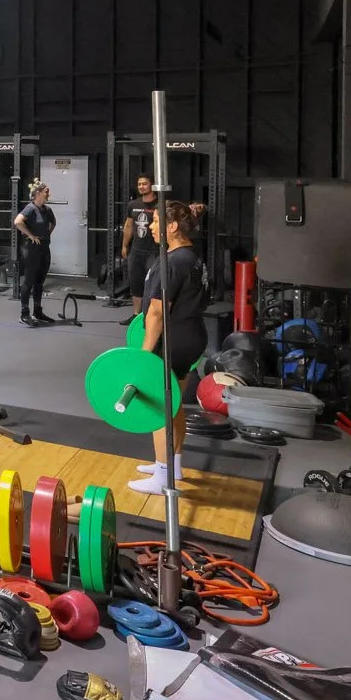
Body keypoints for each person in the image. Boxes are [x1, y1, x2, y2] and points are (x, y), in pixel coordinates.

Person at [128, 200, 210, 496]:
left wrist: (143, 356)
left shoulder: (173, 261)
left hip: (172, 340)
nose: (150, 227)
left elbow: (157, 314)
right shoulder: (190, 256)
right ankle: (171, 465)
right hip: (192, 337)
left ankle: (163, 477)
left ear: (172, 227)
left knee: (158, 408)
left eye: (156, 222)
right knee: (174, 405)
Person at [12, 181, 55, 327]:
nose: (48, 194)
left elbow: (53, 223)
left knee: (39, 281)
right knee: (29, 280)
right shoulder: (30, 209)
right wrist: (30, 235)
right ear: (38, 193)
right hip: (31, 249)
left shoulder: (47, 210)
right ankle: (24, 314)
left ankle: (37, 311)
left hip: (44, 248)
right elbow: (17, 222)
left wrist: (46, 236)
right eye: (46, 192)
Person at [120, 174, 161, 324]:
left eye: (145, 184)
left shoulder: (160, 204)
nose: (141, 187)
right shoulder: (133, 204)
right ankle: (136, 315)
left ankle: (150, 316)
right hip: (136, 251)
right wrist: (124, 245)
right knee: (136, 283)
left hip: (154, 252)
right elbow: (128, 226)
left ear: (152, 185)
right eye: (139, 184)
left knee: (153, 284)